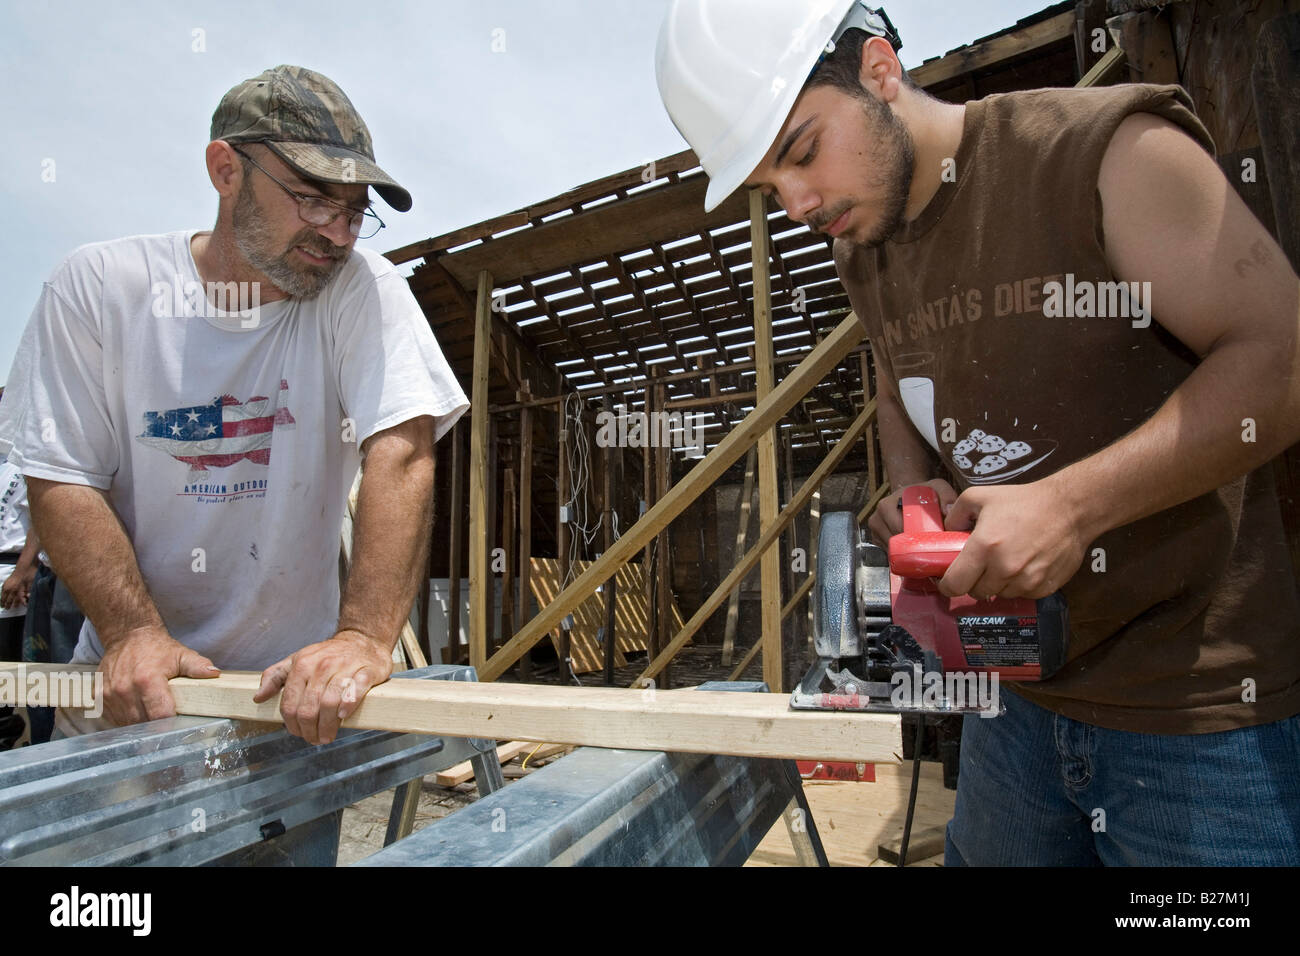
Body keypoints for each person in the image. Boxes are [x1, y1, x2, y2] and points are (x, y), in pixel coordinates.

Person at [656, 1, 1300, 864]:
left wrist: (1070, 509)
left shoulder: (1103, 152)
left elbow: (1281, 357)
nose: (799, 202)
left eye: (802, 150)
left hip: (1193, 709)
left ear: (881, 70)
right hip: (1016, 698)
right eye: (770, 187)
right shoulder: (864, 245)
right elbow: (893, 366)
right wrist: (914, 486)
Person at [0, 65, 468, 748]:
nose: (337, 234)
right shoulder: (102, 287)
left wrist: (364, 639)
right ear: (226, 170)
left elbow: (401, 448)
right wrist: (134, 634)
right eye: (312, 200)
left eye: (353, 211)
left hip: (290, 705)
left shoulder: (360, 291)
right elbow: (61, 474)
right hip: (130, 692)